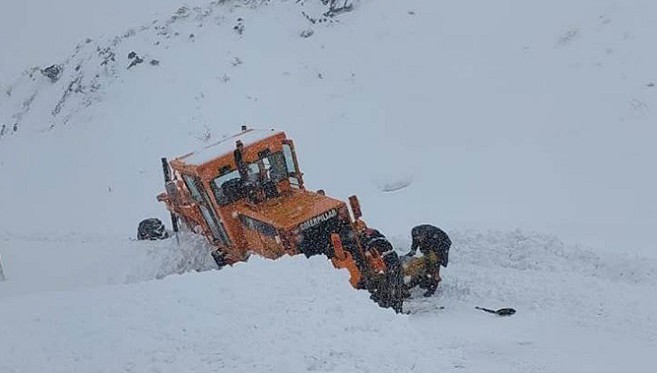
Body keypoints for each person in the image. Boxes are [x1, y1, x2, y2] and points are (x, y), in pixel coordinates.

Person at [404, 224, 451, 297]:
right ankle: (425, 279)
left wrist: (437, 259)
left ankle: (433, 286)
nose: (418, 239)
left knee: (434, 263)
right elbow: (414, 245)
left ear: (424, 234)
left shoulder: (432, 235)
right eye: (417, 238)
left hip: (442, 243)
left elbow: (434, 253)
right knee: (427, 261)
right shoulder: (415, 233)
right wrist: (410, 253)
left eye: (420, 238)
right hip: (430, 246)